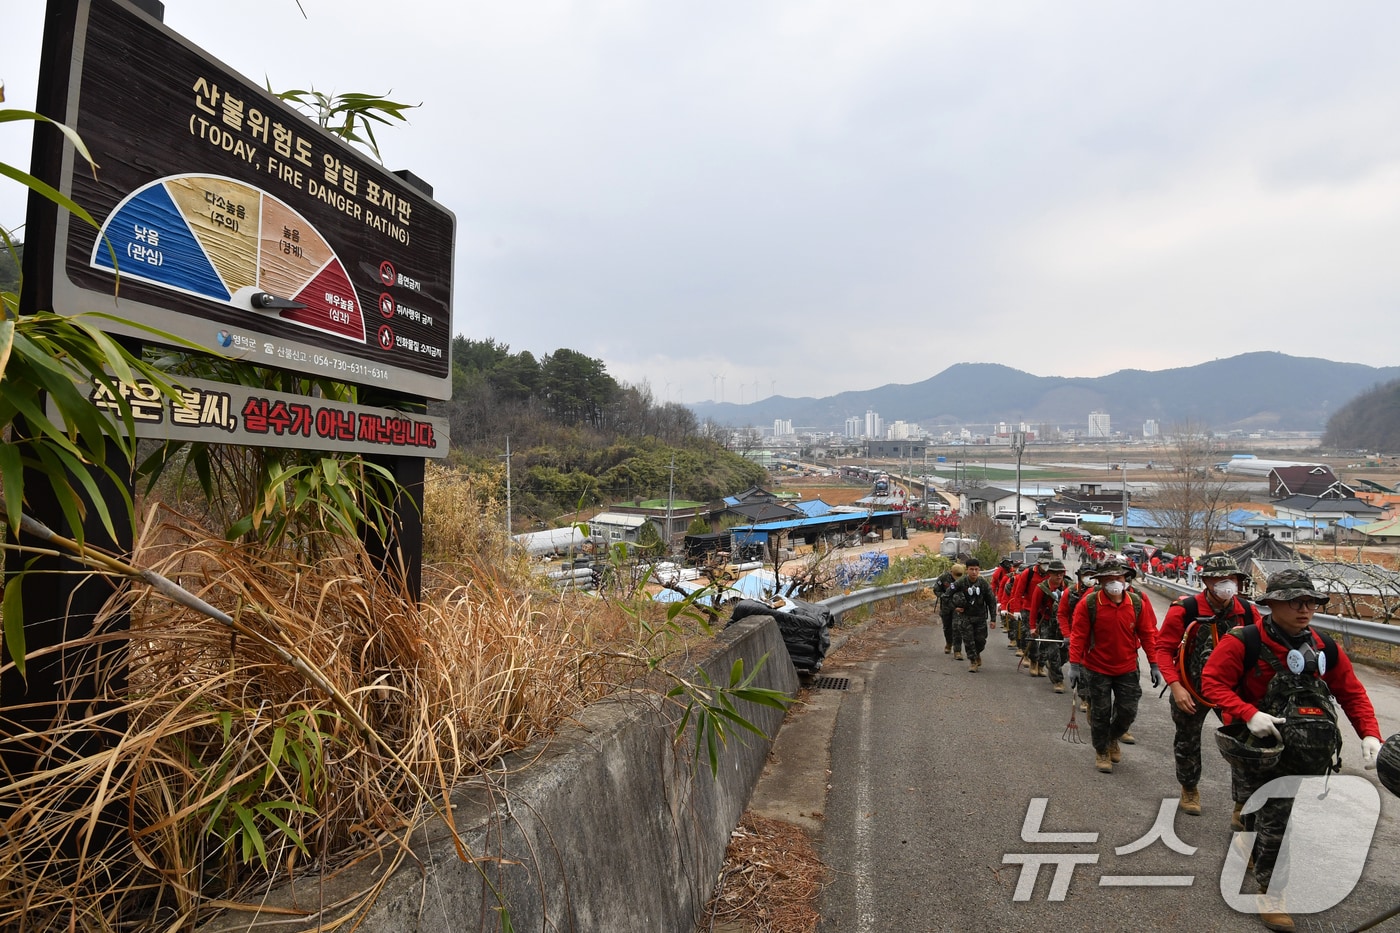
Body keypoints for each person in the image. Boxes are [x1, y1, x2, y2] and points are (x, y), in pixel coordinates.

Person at [1200, 569, 1383, 932]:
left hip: (1308, 749)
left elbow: (1350, 692)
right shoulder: (1244, 641)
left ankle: (1252, 846)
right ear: (1272, 604)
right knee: (1276, 820)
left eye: (1311, 602)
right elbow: (1212, 682)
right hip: (1260, 748)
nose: (1305, 609)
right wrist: (1248, 713)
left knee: (1269, 816)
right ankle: (1272, 893)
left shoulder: (1324, 646)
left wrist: (1370, 734)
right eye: (1295, 602)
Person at [1152, 553, 1263, 816]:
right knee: (1187, 740)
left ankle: (1242, 804)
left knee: (1243, 744)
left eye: (1232, 578)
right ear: (1206, 582)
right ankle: (1189, 787)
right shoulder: (1186, 610)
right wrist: (1176, 687)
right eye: (1219, 579)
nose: (1227, 584)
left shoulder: (1247, 612)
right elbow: (1163, 650)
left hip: (1232, 691)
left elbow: (1261, 648)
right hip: (1191, 688)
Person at [1068, 559, 1160, 774]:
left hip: (1127, 667)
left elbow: (1147, 634)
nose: (1114, 583)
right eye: (1108, 579)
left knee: (1128, 711)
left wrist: (1154, 663)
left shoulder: (1136, 603)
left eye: (1117, 578)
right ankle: (1102, 750)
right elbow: (1078, 635)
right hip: (1097, 667)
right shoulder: (1089, 604)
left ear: (1125, 579)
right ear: (1100, 582)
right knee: (1100, 713)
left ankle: (1112, 738)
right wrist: (1074, 664)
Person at [950, 557, 997, 673]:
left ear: (979, 570)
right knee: (969, 641)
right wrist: (955, 607)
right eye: (971, 569)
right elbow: (946, 596)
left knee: (981, 641)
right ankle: (973, 661)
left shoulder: (983, 584)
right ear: (967, 570)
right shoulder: (960, 583)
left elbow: (991, 601)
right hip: (965, 617)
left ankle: (977, 653)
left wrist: (993, 619)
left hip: (980, 617)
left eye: (976, 569)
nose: (974, 572)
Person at [1027, 559, 1069, 686]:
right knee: (1052, 651)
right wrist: (1033, 627)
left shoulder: (1069, 587)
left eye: (1061, 573)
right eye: (1056, 573)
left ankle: (1052, 666)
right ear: (1050, 573)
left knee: (1065, 653)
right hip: (1047, 621)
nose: (1059, 576)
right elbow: (1034, 608)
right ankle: (1058, 681)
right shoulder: (1041, 588)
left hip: (1064, 624)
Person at [932, 562, 966, 659]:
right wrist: (944, 596)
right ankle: (949, 643)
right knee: (947, 627)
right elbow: (936, 589)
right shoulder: (943, 578)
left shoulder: (964, 580)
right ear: (951, 572)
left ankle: (957, 650)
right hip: (946, 606)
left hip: (958, 607)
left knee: (957, 628)